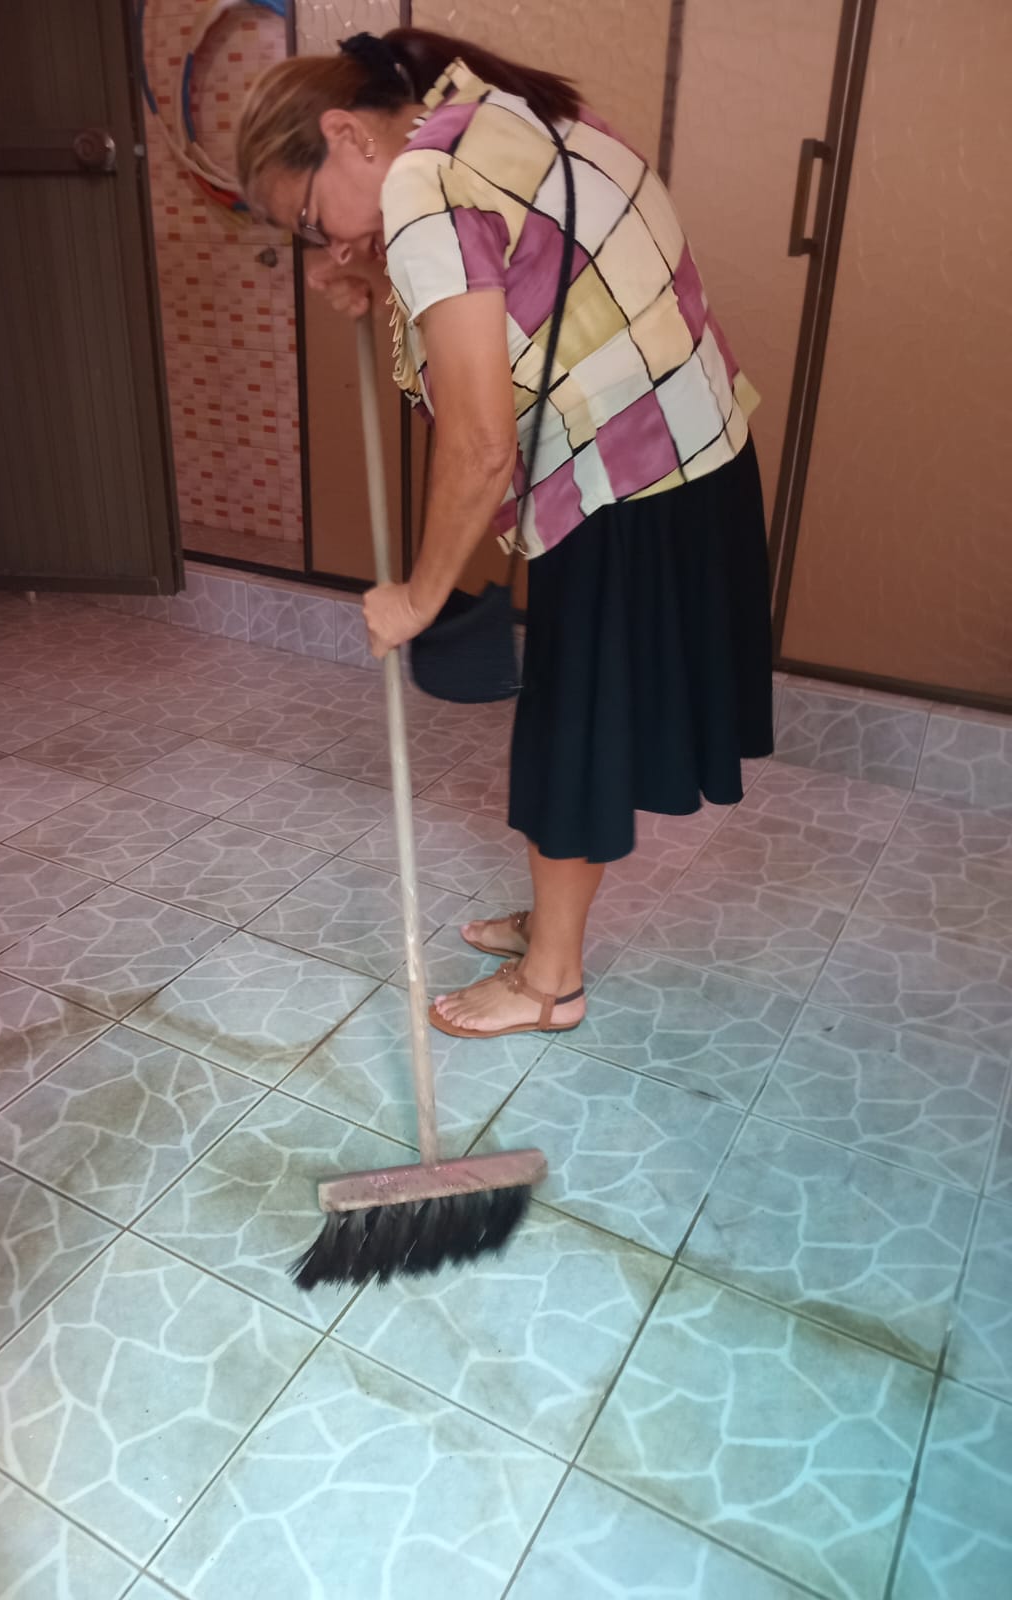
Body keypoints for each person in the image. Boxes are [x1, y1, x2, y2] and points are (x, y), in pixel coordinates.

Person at [236, 28, 773, 1041]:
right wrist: (384, 280)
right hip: (691, 452)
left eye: (308, 218)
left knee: (575, 727)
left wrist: (417, 596)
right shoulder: (490, 111)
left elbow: (482, 445)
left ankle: (550, 981)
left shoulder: (423, 184)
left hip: (630, 482)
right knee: (593, 717)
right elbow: (529, 281)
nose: (326, 243)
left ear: (345, 134)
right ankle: (552, 921)